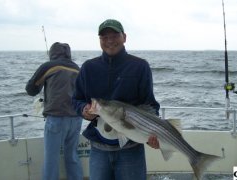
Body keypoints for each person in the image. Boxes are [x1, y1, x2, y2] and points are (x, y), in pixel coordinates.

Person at [72, 19, 160, 180]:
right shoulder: (88, 68)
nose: (110, 41)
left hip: (131, 148)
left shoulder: (140, 66)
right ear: (99, 40)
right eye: (104, 37)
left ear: (124, 37)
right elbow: (76, 99)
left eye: (114, 35)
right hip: (98, 148)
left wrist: (152, 134)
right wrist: (83, 110)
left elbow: (150, 105)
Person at [25, 42, 83, 180]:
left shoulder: (49, 66)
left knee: (52, 158)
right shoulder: (77, 68)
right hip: (76, 118)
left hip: (56, 118)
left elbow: (31, 89)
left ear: (52, 53)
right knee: (72, 156)